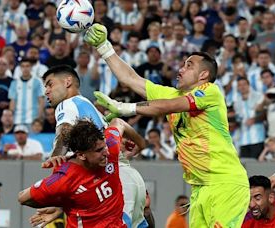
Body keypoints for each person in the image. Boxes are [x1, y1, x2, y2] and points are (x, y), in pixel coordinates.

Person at [85, 23, 249, 227]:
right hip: (200, 188)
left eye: (189, 65)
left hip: (226, 184)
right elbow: (130, 79)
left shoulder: (211, 92)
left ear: (203, 75)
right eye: (183, 64)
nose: (181, 69)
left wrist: (125, 107)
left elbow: (170, 106)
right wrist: (104, 46)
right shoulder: (172, 93)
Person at [18, 118, 144, 227]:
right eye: (98, 150)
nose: (105, 152)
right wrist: (61, 204)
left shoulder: (110, 147)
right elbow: (22, 197)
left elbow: (118, 122)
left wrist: (141, 144)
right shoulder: (64, 179)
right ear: (81, 155)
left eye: (104, 146)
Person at [42, 65, 107, 157]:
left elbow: (64, 133)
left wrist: (55, 159)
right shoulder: (86, 103)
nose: (46, 91)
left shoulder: (67, 104)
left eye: (50, 85)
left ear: (67, 82)